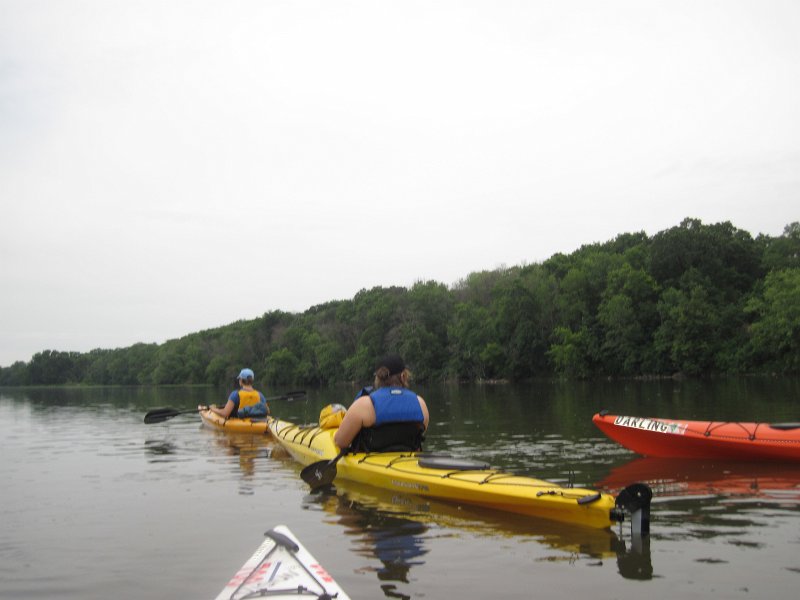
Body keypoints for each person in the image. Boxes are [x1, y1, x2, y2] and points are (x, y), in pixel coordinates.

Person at [334, 355, 429, 452]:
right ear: (403, 376)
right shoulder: (420, 403)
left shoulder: (364, 405)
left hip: (370, 463)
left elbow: (340, 442)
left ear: (378, 378)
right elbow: (420, 434)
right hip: (408, 462)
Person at [199, 368, 269, 419]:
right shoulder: (260, 395)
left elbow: (225, 414)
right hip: (256, 423)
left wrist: (213, 409)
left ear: (241, 381)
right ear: (252, 380)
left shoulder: (235, 394)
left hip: (240, 423)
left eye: (239, 379)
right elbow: (267, 411)